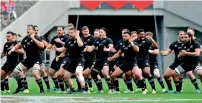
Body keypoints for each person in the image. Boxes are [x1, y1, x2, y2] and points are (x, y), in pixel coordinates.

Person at [8, 25, 45, 94]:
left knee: (35, 73)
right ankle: (20, 86)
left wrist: (33, 38)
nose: (28, 30)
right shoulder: (25, 38)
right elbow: (19, 44)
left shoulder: (37, 37)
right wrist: (12, 49)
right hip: (28, 59)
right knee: (15, 71)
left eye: (30, 29)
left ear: (34, 31)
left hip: (37, 59)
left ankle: (42, 89)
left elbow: (42, 46)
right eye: (27, 29)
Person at [54, 28, 86, 93]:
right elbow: (63, 49)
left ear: (75, 33)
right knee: (65, 77)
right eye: (69, 33)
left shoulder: (79, 39)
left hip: (80, 60)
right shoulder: (68, 40)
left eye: (72, 33)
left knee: (78, 72)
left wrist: (77, 36)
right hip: (71, 61)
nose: (70, 34)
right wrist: (55, 48)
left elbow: (80, 44)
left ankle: (83, 89)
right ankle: (72, 89)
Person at [86, 27, 113, 93]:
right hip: (98, 60)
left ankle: (111, 88)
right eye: (100, 32)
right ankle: (100, 89)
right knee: (93, 74)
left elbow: (111, 47)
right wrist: (87, 48)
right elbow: (91, 49)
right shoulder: (97, 40)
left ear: (105, 33)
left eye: (101, 32)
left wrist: (108, 49)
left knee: (105, 73)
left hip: (105, 59)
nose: (100, 33)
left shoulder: (108, 40)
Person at [47, 26, 69, 93]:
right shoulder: (54, 38)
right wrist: (48, 48)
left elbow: (68, 46)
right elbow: (49, 46)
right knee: (51, 72)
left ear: (63, 31)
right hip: (57, 57)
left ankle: (67, 87)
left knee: (61, 74)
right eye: (58, 30)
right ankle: (57, 87)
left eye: (60, 30)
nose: (59, 31)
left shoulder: (66, 37)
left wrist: (60, 42)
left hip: (65, 57)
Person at [135, 29, 157, 94]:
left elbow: (156, 46)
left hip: (144, 59)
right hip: (136, 60)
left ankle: (154, 89)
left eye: (143, 34)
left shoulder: (147, 41)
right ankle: (144, 89)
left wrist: (152, 40)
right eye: (141, 34)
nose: (142, 35)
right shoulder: (134, 41)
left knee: (147, 72)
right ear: (137, 34)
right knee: (137, 74)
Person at [34, 25, 51, 92]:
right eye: (35, 30)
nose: (36, 31)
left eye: (37, 30)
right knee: (35, 73)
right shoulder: (29, 37)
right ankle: (24, 87)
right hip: (30, 58)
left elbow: (47, 45)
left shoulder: (41, 38)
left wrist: (47, 48)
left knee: (43, 71)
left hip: (39, 57)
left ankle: (48, 87)